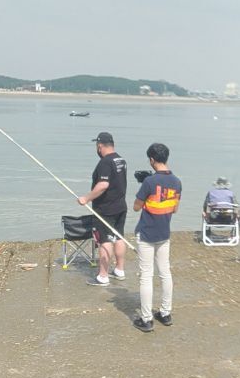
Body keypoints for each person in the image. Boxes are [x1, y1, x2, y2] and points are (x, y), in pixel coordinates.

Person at [132, 142, 182, 333]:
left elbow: (136, 207)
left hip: (146, 233)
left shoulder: (149, 182)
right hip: (164, 233)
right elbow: (174, 209)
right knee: (165, 272)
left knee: (146, 275)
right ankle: (166, 313)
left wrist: (146, 188)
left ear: (152, 160)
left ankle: (146, 319)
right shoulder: (177, 182)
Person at [78, 131, 127, 286]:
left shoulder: (105, 162)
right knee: (119, 237)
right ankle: (119, 270)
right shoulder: (121, 160)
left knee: (105, 241)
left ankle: (103, 276)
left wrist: (86, 198)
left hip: (106, 209)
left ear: (99, 146)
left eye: (96, 146)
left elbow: (103, 185)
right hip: (120, 206)